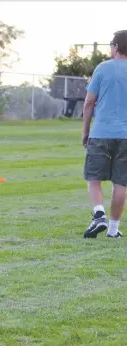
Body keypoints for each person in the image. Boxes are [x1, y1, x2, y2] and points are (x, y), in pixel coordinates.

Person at [82, 30, 127, 239]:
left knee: (94, 178)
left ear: (116, 47)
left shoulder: (102, 68)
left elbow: (89, 102)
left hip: (101, 132)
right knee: (121, 183)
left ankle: (99, 214)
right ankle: (113, 230)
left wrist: (85, 132)